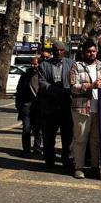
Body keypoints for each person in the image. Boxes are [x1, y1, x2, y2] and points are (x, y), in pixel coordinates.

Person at [69, 40, 101, 179]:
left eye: (94, 51)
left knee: (96, 140)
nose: (91, 53)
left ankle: (95, 167)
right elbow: (73, 87)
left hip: (98, 109)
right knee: (80, 139)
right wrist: (90, 86)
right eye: (89, 51)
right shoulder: (76, 66)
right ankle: (78, 167)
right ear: (84, 52)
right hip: (82, 108)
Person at [38, 40, 75, 168]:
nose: (58, 52)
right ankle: (49, 161)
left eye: (61, 50)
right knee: (48, 137)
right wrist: (57, 91)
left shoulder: (71, 64)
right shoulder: (44, 65)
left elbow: (74, 81)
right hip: (50, 107)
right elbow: (42, 83)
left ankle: (67, 161)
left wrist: (68, 91)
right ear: (52, 51)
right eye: (56, 50)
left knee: (67, 137)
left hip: (66, 106)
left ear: (64, 51)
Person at [15, 56, 42, 156]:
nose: (33, 66)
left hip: (38, 105)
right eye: (32, 64)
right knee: (26, 128)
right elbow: (19, 91)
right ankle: (26, 150)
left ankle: (37, 148)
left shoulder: (43, 75)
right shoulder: (25, 75)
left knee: (38, 128)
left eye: (35, 64)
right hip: (26, 105)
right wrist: (19, 106)